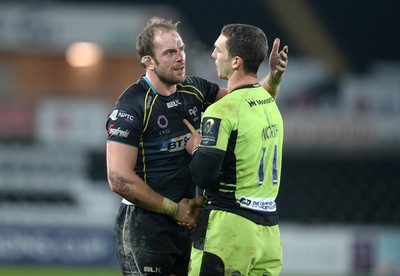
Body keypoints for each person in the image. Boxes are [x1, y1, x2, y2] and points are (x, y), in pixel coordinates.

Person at [106, 16, 288, 276]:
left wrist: (274, 77)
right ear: (148, 61)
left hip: (191, 219)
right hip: (147, 225)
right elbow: (119, 179)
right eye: (170, 52)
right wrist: (173, 209)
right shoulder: (132, 105)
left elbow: (248, 101)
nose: (180, 57)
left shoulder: (194, 89)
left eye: (181, 49)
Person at [184, 23, 288, 276]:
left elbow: (203, 175)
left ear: (236, 62)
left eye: (219, 50)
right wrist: (274, 77)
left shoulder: (221, 110)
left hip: (228, 231)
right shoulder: (270, 105)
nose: (213, 55)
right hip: (268, 234)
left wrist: (196, 148)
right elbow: (257, 97)